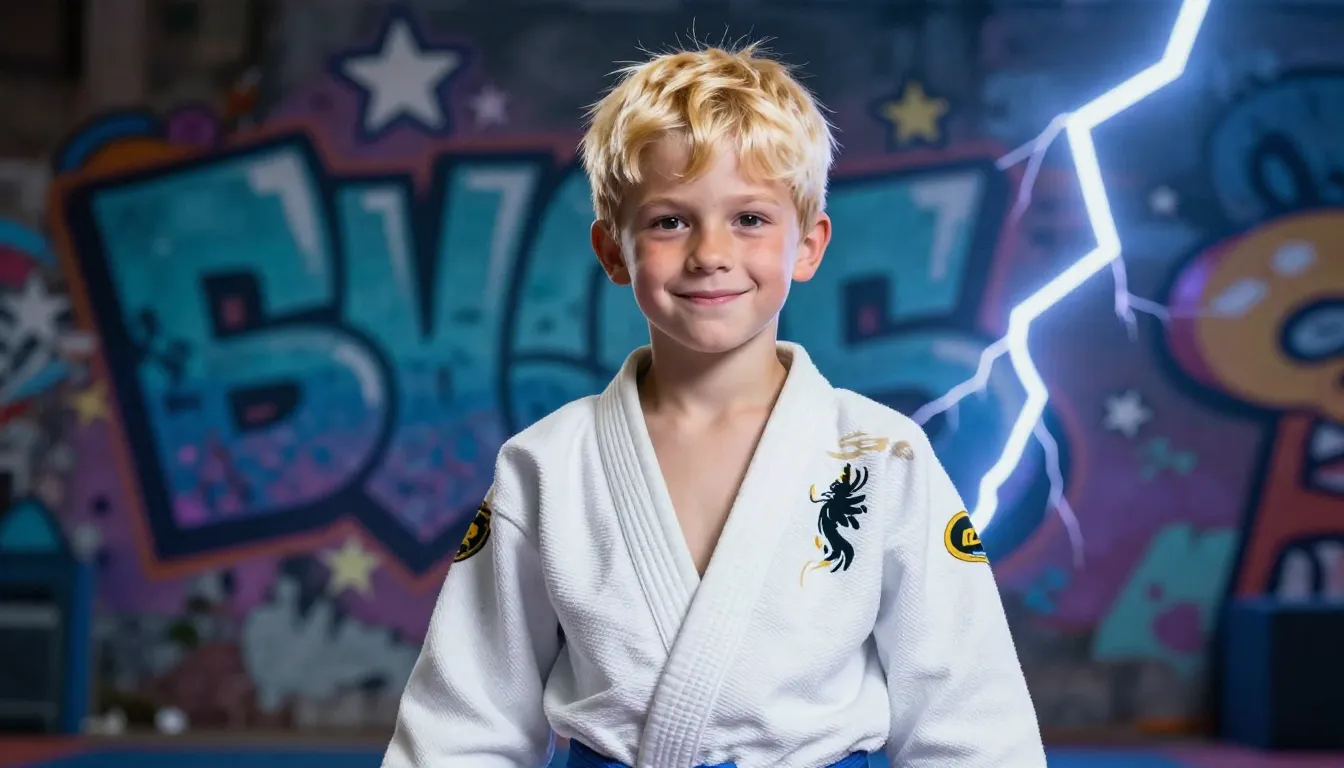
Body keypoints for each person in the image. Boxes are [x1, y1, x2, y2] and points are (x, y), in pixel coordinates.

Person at [383, 42, 1045, 768]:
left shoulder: (882, 456)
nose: (709, 253)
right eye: (669, 221)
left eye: (750, 219)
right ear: (613, 250)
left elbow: (970, 723)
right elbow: (462, 728)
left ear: (808, 245)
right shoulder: (546, 465)